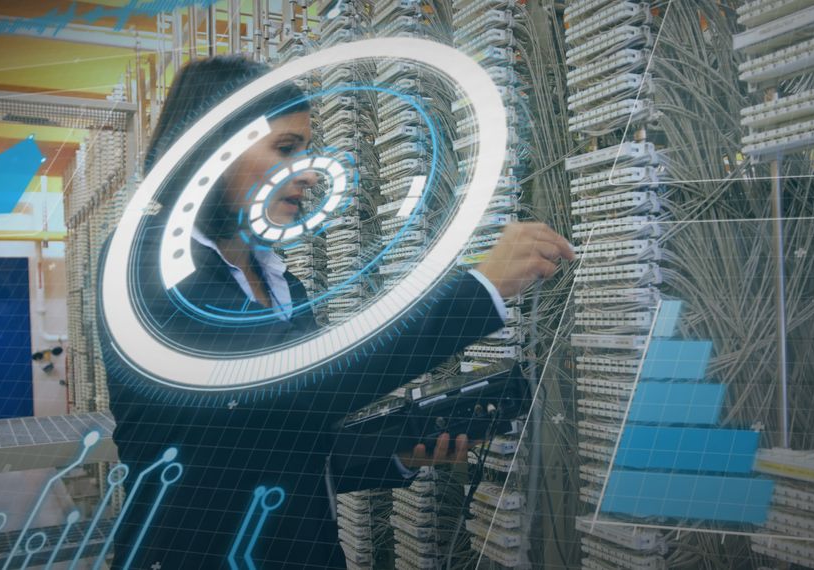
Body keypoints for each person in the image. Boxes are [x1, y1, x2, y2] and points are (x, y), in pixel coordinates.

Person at [98, 55, 573, 569]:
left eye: (305, 151)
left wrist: (398, 451)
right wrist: (479, 291)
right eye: (285, 149)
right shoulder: (145, 268)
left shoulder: (284, 283)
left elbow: (282, 439)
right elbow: (292, 390)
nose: (306, 174)